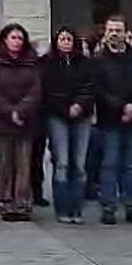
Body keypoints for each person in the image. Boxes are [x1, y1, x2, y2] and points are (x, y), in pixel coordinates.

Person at [90, 15, 132, 225]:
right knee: (109, 165)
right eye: (111, 30)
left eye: (118, 30)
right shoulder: (97, 60)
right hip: (109, 119)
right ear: (105, 33)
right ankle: (108, 207)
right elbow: (98, 89)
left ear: (126, 33)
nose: (115, 33)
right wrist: (121, 106)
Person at [0, 23, 42, 221]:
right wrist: (10, 111)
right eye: (13, 37)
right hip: (1, 122)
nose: (16, 42)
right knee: (5, 163)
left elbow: (36, 91)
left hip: (26, 122)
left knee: (24, 163)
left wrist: (21, 111)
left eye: (19, 38)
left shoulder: (31, 62)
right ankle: (5, 201)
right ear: (4, 40)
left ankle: (23, 203)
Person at [42, 27, 94, 224]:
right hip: (58, 116)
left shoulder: (84, 63)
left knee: (79, 164)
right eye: (62, 38)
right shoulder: (48, 63)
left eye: (69, 39)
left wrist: (80, 104)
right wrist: (65, 108)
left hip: (82, 115)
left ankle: (77, 209)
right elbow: (47, 91)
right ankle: (62, 208)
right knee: (62, 162)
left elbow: (90, 86)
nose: (66, 42)